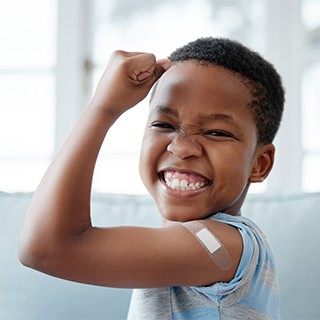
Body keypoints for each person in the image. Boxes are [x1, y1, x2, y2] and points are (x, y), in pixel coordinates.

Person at [19, 37, 285, 319]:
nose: (181, 147)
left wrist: (103, 108)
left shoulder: (222, 246)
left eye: (216, 132)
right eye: (163, 125)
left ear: (259, 163)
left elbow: (46, 248)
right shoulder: (193, 248)